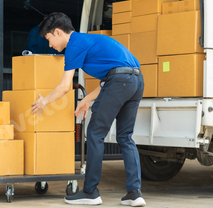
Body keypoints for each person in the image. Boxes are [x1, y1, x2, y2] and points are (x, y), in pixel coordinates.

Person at [31, 12, 146, 207]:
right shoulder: (89, 40)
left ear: (58, 32)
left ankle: (90, 191)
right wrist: (87, 100)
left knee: (94, 134)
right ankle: (135, 194)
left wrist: (44, 102)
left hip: (120, 81)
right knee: (125, 137)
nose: (50, 45)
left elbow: (65, 87)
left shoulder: (74, 45)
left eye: (49, 39)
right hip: (136, 80)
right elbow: (114, 75)